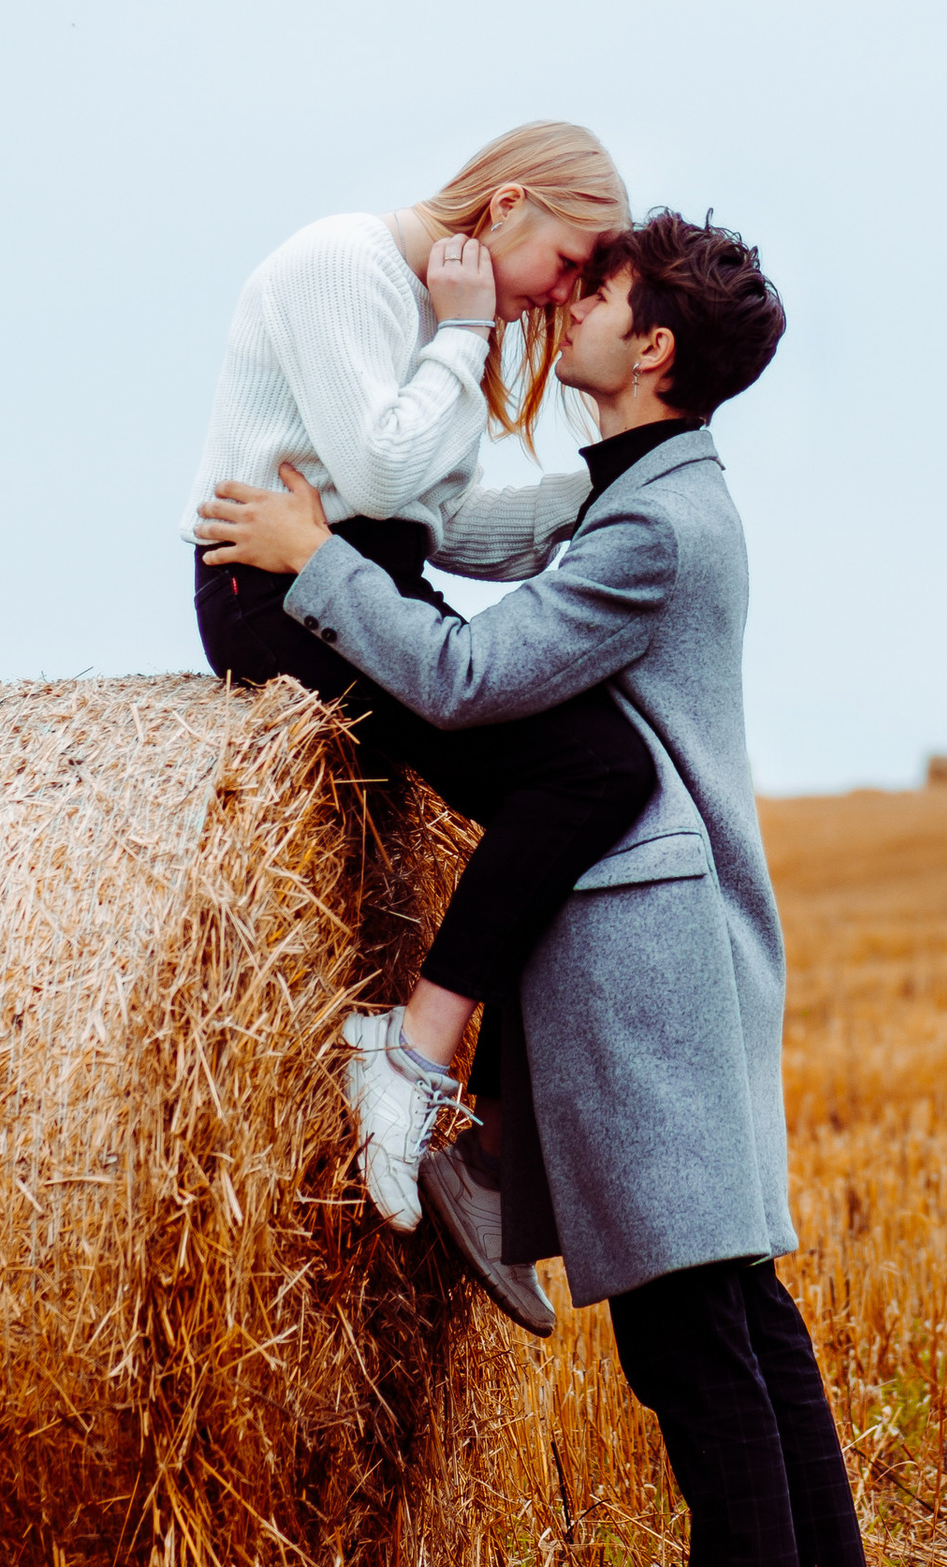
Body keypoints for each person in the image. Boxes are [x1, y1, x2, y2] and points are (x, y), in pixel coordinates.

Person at [195, 212, 876, 1567]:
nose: (569, 307)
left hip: (645, 942)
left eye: (601, 293)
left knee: (687, 1324)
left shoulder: (654, 527)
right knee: (737, 1301)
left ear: (653, 348)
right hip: (673, 936)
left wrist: (315, 561)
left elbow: (470, 674)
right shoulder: (647, 494)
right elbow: (484, 553)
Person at [185, 124, 655, 1336]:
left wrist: (626, 475)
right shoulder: (344, 265)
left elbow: (449, 525)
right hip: (276, 596)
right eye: (567, 259)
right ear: (506, 206)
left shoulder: (440, 313)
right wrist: (461, 333)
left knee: (597, 771)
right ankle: (408, 1057)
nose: (563, 293)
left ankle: (465, 1105)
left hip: (364, 590)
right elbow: (385, 477)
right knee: (588, 772)